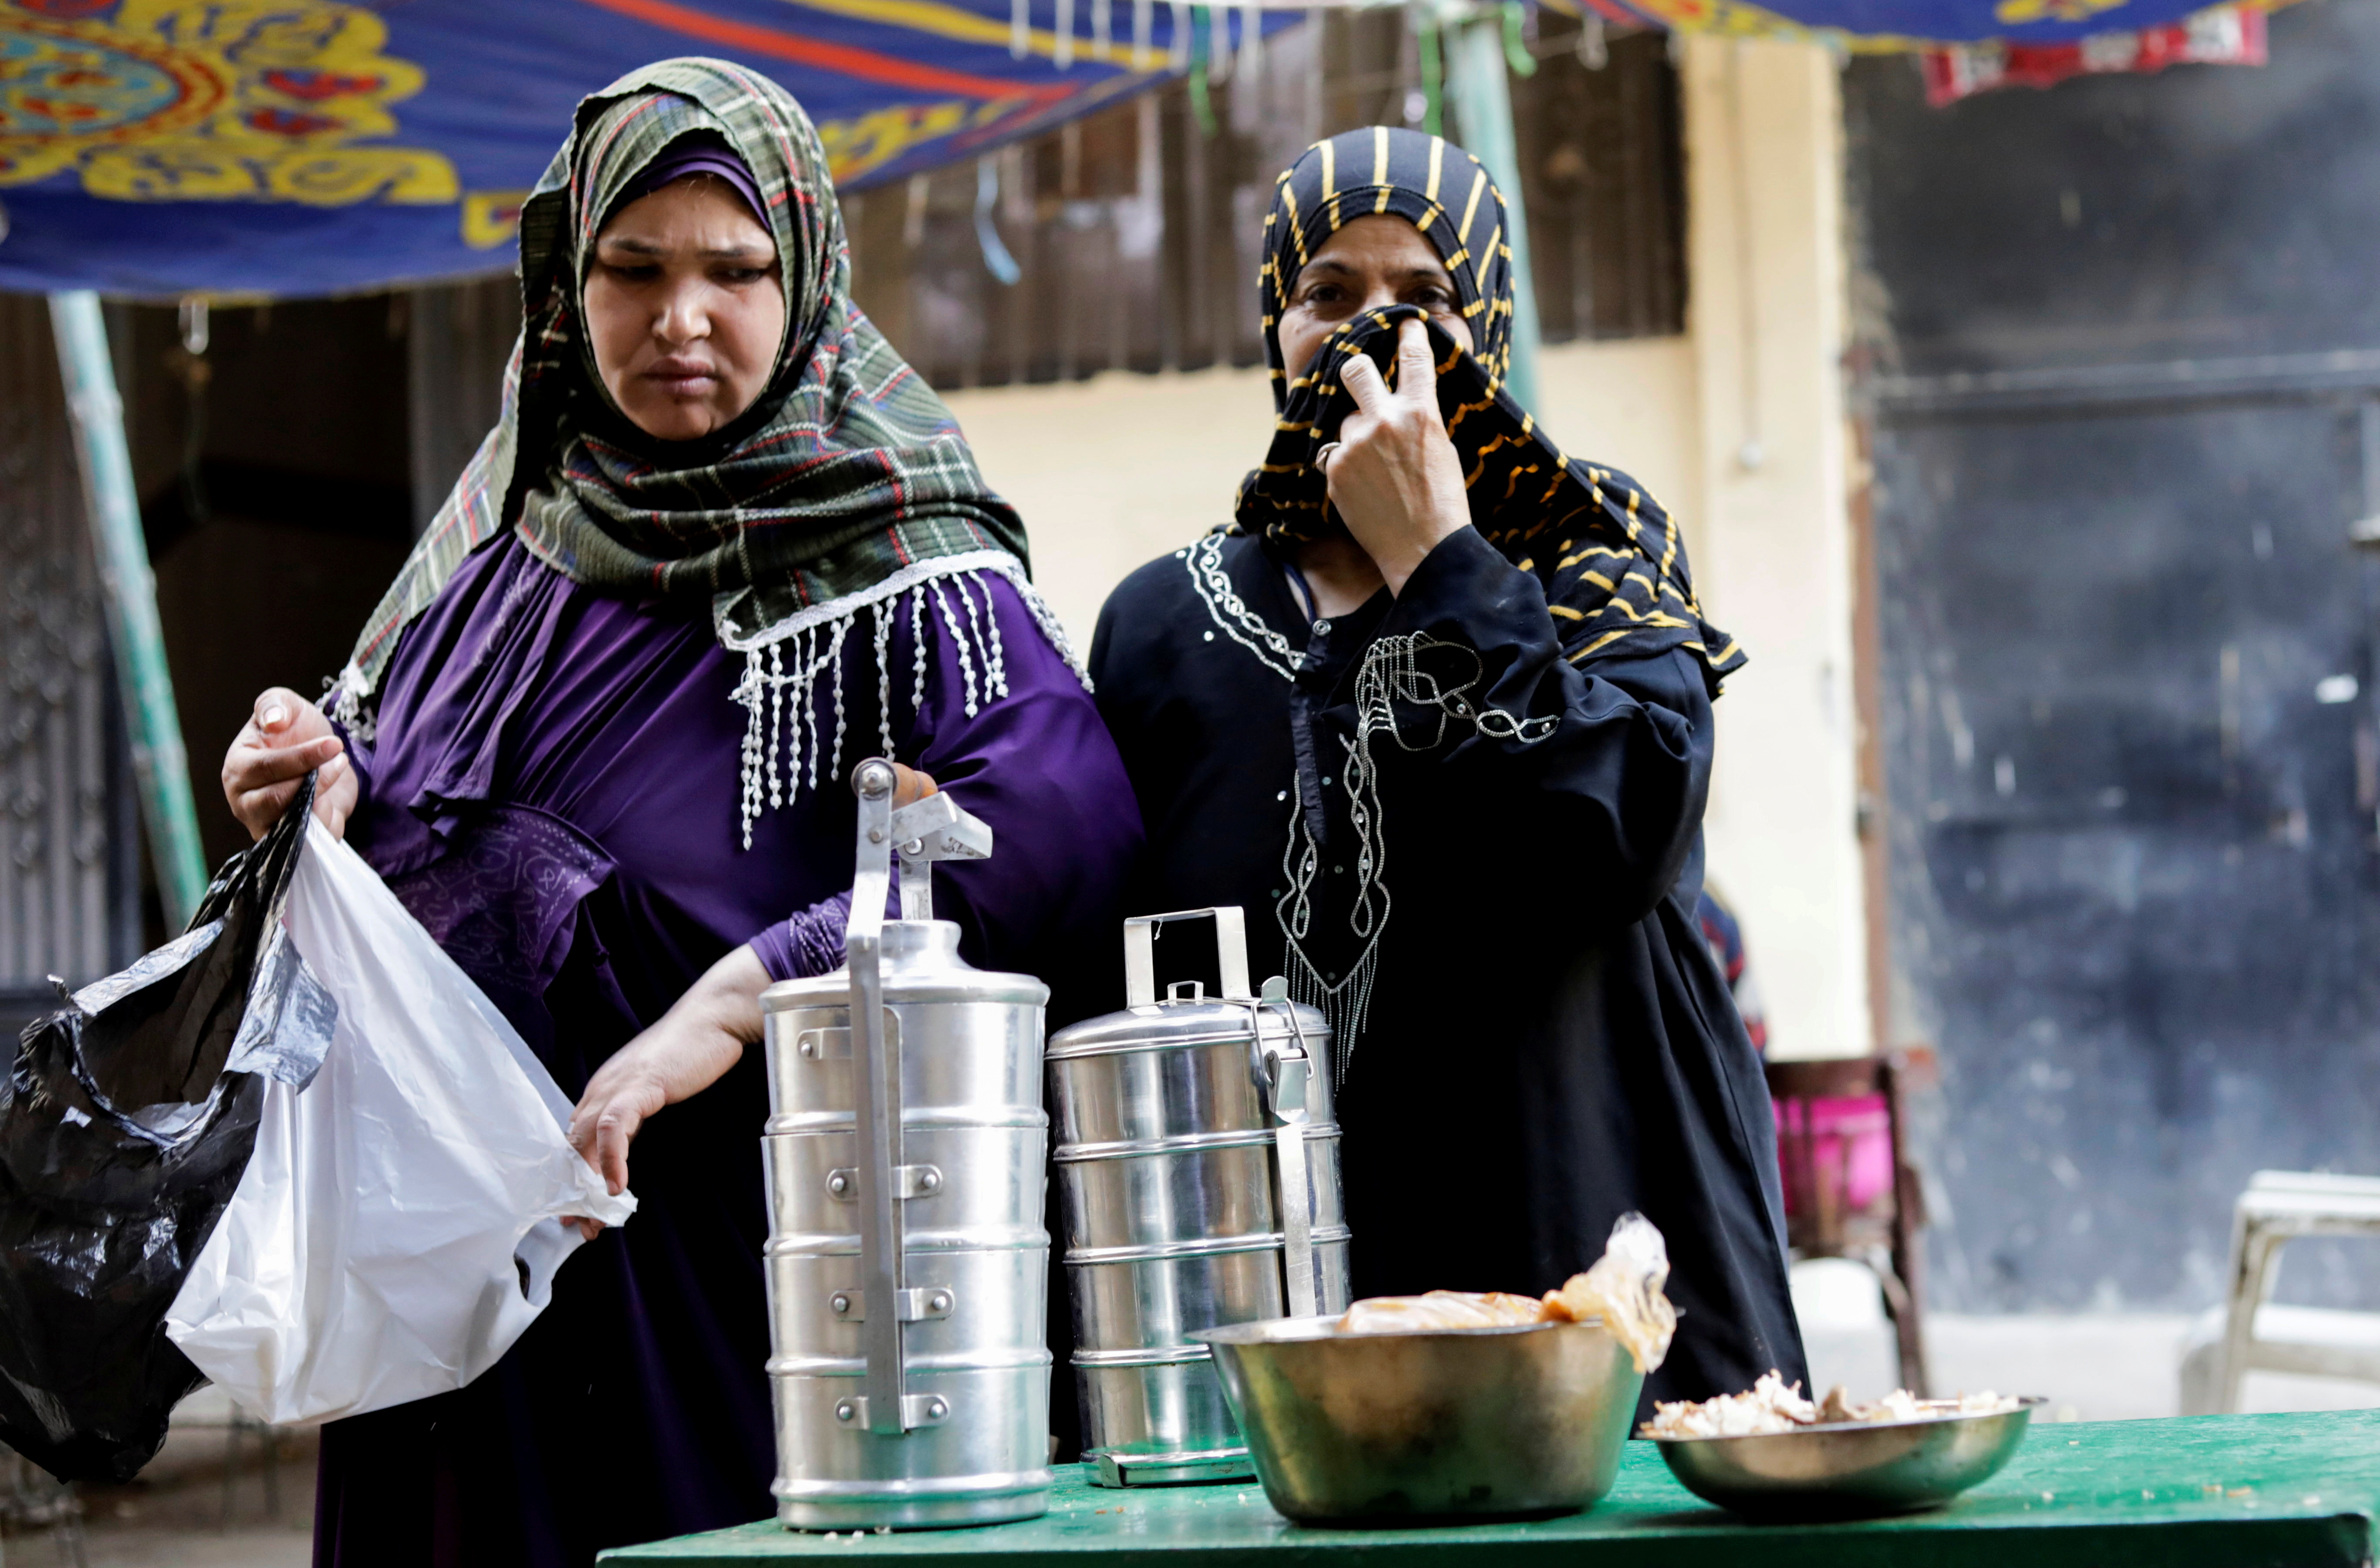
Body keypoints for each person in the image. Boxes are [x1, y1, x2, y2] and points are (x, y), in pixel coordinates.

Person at [217, 58, 1139, 1566]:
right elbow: (383, 796)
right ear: (567, 283)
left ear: (810, 277)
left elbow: (1061, 834)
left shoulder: (899, 564)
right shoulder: (501, 534)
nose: (681, 318)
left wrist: (745, 990)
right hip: (450, 1309)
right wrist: (311, 785)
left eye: (734, 270)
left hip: (705, 1287)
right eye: (631, 270)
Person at [1090, 127, 1805, 1408]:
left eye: (1424, 300)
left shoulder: (1591, 545)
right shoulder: (1165, 624)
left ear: (1490, 326)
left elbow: (1622, 831)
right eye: (1328, 296)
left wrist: (1438, 555)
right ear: (1272, 327)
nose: (1375, 335)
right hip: (1304, 1304)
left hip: (1597, 1271)